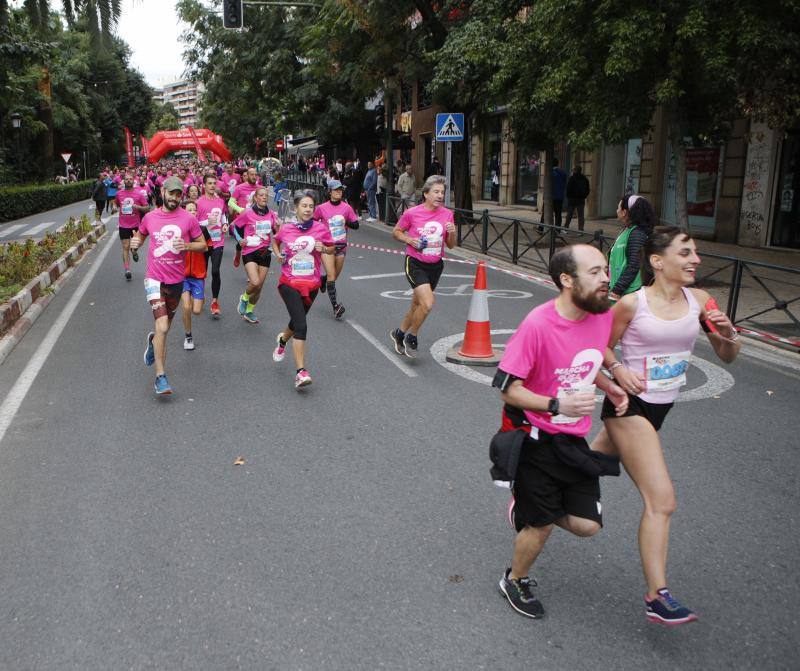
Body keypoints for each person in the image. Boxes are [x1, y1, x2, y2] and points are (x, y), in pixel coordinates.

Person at [592, 226, 740, 625]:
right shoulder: (631, 304)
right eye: (685, 252)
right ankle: (658, 595)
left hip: (661, 407)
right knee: (662, 500)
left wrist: (729, 337)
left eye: (695, 252)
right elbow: (599, 345)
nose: (695, 259)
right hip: (628, 405)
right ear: (658, 261)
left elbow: (727, 356)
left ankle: (535, 484)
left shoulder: (703, 300)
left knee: (581, 464)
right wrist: (619, 368)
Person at [492, 244, 628, 619]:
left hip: (572, 436)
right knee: (540, 526)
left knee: (587, 526)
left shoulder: (601, 314)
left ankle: (533, 505)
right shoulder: (537, 324)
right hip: (533, 435)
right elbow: (507, 388)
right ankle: (514, 579)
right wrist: (556, 405)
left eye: (605, 270)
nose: (606, 279)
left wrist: (609, 383)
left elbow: (588, 357)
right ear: (567, 280)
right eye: (596, 272)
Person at [130, 176, 206, 395]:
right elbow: (141, 237)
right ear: (163, 192)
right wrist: (136, 244)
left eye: (178, 194)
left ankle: (153, 341)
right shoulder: (150, 217)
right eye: (171, 193)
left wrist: (188, 245)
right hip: (154, 279)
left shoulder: (188, 219)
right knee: (163, 325)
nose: (174, 197)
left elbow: (202, 245)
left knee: (164, 330)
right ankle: (160, 377)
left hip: (176, 281)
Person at [271, 190, 335, 389]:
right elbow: (275, 240)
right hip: (289, 283)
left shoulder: (320, 229)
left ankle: (282, 340)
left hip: (312, 284)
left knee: (295, 322)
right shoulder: (287, 228)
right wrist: (278, 255)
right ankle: (301, 372)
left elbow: (332, 247)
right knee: (302, 325)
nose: (308, 209)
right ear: (296, 208)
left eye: (310, 206)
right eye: (304, 206)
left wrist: (323, 248)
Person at [388, 175, 456, 358]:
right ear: (426, 193)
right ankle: (412, 337)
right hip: (415, 262)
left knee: (417, 306)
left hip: (435, 265)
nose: (440, 195)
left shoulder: (447, 214)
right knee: (427, 303)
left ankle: (399, 333)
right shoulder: (412, 213)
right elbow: (396, 232)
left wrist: (453, 233)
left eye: (442, 192)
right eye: (436, 192)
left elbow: (451, 245)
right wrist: (410, 240)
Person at [314, 179, 360, 319]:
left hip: (341, 246)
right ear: (330, 192)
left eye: (340, 189)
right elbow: (313, 223)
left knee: (334, 276)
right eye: (336, 190)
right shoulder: (321, 208)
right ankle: (335, 307)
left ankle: (322, 281)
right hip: (327, 246)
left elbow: (356, 225)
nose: (339, 192)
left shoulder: (347, 208)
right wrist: (319, 234)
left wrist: (346, 221)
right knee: (332, 276)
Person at [232, 186, 278, 324]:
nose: (264, 197)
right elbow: (234, 226)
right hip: (250, 251)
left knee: (259, 288)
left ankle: (249, 311)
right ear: (256, 198)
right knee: (255, 282)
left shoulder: (272, 215)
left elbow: (277, 234)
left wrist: (279, 226)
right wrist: (240, 240)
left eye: (266, 195)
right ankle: (244, 298)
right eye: (261, 195)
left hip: (265, 252)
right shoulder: (247, 213)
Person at [609, 194, 656, 301]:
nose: (617, 210)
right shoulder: (628, 230)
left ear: (625, 212)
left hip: (629, 292)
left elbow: (634, 263)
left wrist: (617, 289)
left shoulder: (637, 234)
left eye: (618, 207)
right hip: (622, 290)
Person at [196, 172, 229, 317]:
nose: (212, 186)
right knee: (202, 273)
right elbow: (194, 224)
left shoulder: (220, 201)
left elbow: (223, 216)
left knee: (215, 271)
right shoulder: (199, 202)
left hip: (217, 241)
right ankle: (200, 296)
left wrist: (225, 224)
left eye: (214, 183)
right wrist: (206, 223)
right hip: (203, 241)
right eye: (209, 183)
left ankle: (215, 301)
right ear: (204, 185)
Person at [180, 200, 209, 351]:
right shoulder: (180, 230)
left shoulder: (203, 230)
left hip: (198, 275)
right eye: (189, 210)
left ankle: (199, 294)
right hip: (182, 275)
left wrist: (205, 271)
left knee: (196, 310)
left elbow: (207, 251)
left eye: (194, 210)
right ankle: (188, 336)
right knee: (186, 306)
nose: (192, 212)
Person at [115, 172, 151, 280]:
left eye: (130, 179)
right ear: (124, 181)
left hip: (135, 225)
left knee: (134, 246)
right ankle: (127, 269)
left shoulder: (139, 194)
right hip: (123, 225)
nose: (129, 181)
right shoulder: (119, 193)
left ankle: (134, 251)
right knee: (125, 246)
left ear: (133, 181)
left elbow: (147, 208)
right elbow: (117, 204)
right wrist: (115, 207)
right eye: (127, 179)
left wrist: (138, 207)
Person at [228, 167, 261, 268]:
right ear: (247, 176)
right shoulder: (239, 188)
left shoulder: (260, 188)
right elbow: (230, 202)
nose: (254, 177)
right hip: (242, 221)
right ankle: (238, 252)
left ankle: (252, 270)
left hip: (255, 221)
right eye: (252, 174)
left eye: (256, 175)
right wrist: (240, 210)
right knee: (242, 243)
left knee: (254, 245)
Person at [564, 165, 590, 231]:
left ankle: (566, 228)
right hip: (581, 199)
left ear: (575, 170)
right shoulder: (585, 179)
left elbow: (568, 188)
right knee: (581, 215)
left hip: (572, 199)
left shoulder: (572, 178)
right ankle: (580, 229)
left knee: (569, 214)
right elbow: (588, 190)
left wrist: (568, 197)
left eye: (574, 170)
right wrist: (584, 196)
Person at [550, 158, 567, 227]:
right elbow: (564, 183)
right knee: (558, 213)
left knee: (546, 213)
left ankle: (541, 227)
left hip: (551, 196)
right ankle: (558, 228)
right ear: (558, 163)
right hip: (560, 196)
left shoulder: (550, 172)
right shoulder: (563, 173)